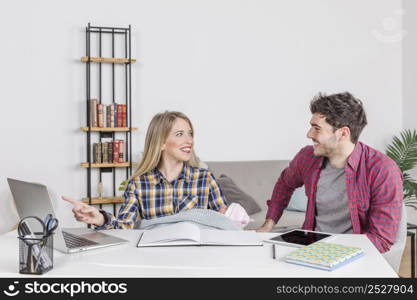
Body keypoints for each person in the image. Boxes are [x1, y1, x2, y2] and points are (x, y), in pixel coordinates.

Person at [256, 92, 403, 253]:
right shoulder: (307, 157)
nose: (309, 134)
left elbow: (381, 238)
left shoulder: (383, 170)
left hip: (355, 254)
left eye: (317, 128)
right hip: (310, 249)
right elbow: (285, 183)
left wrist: (332, 254)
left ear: (342, 133)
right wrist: (268, 224)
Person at [63, 111, 228, 229]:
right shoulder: (138, 184)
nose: (189, 140)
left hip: (198, 259)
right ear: (161, 143)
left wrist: (235, 220)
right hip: (156, 259)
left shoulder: (205, 179)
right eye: (179, 134)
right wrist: (99, 219)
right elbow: (124, 226)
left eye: (190, 134)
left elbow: (226, 225)